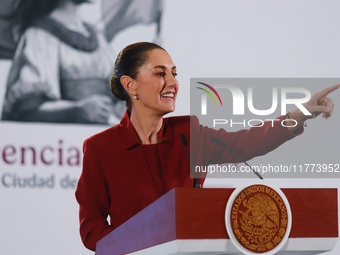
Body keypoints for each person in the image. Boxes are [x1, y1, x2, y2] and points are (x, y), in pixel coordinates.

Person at [75, 42, 339, 251]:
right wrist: (134, 247)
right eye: (160, 73)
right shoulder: (100, 148)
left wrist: (299, 114)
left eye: (175, 74)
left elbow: (245, 143)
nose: (173, 83)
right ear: (130, 84)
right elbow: (92, 230)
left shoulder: (188, 133)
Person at [1, 0, 124, 124]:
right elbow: (28, 108)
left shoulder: (97, 36)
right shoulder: (39, 35)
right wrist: (77, 111)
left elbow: (115, 97)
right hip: (59, 140)